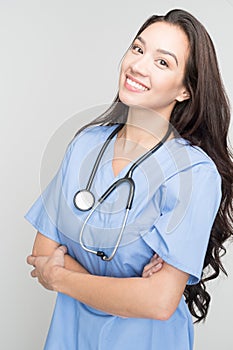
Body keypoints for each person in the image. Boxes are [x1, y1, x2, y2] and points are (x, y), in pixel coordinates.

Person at [25, 8, 233, 350]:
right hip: (69, 337)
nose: (138, 65)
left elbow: (159, 302)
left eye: (162, 62)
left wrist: (60, 275)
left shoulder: (194, 173)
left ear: (185, 91)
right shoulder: (85, 146)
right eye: (138, 49)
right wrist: (131, 289)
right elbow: (41, 250)